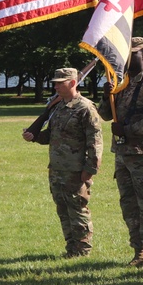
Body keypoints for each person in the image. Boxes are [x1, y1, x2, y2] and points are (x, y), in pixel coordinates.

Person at [98, 37, 143, 268]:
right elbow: (106, 115)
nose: (126, 59)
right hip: (123, 153)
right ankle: (139, 250)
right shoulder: (121, 82)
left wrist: (128, 130)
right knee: (129, 205)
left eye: (133, 54)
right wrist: (107, 95)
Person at [23, 67, 102, 258]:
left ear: (73, 83)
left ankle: (83, 250)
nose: (56, 86)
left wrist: (90, 169)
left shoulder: (85, 108)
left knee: (78, 209)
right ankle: (71, 248)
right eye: (55, 82)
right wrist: (34, 136)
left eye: (60, 82)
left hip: (76, 170)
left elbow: (95, 141)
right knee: (63, 209)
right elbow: (51, 135)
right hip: (57, 169)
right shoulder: (57, 107)